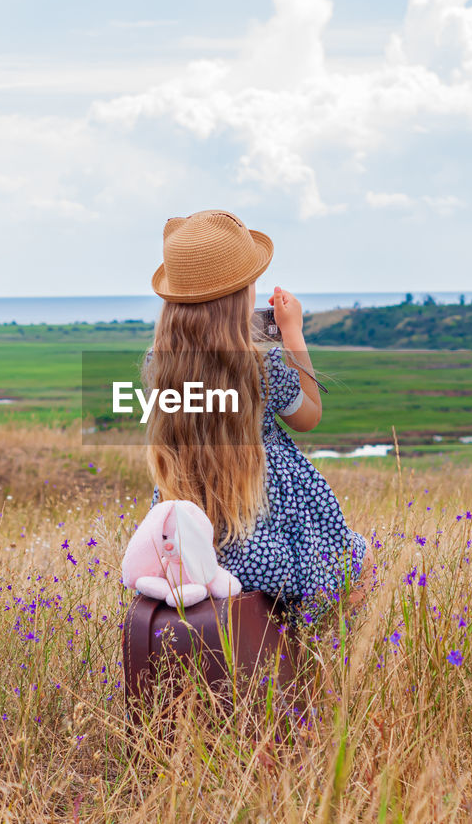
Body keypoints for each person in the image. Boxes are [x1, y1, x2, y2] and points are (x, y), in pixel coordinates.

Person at [143, 209, 368, 613]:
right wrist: (294, 333)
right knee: (355, 570)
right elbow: (309, 416)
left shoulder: (159, 364)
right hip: (265, 533)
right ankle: (318, 670)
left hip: (192, 542)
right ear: (240, 296)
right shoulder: (261, 366)